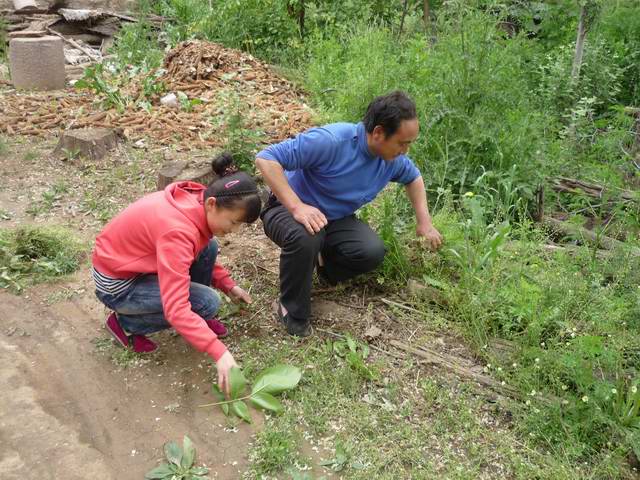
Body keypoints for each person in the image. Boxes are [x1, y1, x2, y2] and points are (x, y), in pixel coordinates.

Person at [256, 90, 443, 336]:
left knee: (371, 251)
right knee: (307, 237)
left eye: (409, 144)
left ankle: (323, 267)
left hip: (332, 219)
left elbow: (414, 177)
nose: (405, 151)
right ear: (378, 133)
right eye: (402, 143)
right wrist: (297, 206)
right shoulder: (332, 141)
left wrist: (425, 223)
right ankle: (291, 309)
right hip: (285, 208)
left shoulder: (391, 159)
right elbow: (266, 158)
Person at [91, 153, 260, 394]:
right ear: (212, 204)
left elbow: (197, 248)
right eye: (233, 223)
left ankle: (196, 322)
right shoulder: (178, 231)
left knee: (209, 247)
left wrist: (228, 285)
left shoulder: (196, 201)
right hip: (118, 285)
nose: (235, 231)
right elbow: (176, 307)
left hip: (133, 264)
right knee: (207, 303)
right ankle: (125, 324)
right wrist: (220, 353)